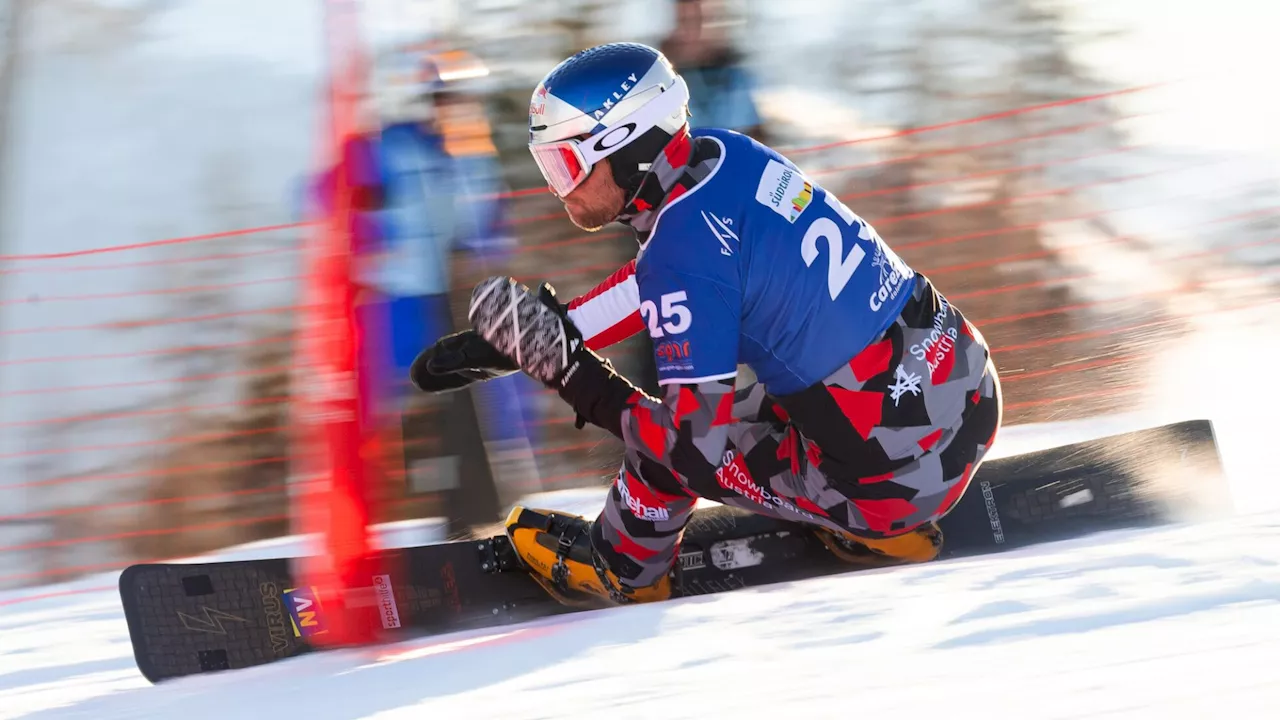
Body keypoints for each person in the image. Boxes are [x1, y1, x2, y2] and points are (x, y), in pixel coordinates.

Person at [411, 42, 1003, 607]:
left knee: (664, 439)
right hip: (964, 388)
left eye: (565, 163)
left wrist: (566, 368)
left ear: (624, 145)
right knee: (728, 405)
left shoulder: (683, 251)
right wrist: (522, 345)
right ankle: (872, 508)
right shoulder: (723, 155)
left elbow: (693, 451)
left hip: (896, 476)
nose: (554, 187)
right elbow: (664, 281)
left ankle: (624, 567)